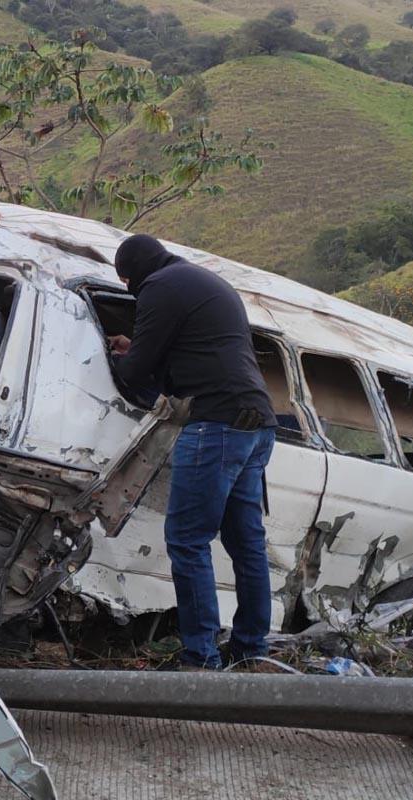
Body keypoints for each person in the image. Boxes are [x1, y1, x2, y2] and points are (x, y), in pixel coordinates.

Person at [109, 234, 276, 670]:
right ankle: (252, 648)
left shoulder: (158, 288)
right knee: (246, 544)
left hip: (215, 424)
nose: (130, 291)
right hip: (257, 422)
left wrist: (123, 356)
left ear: (134, 274)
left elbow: (134, 373)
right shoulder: (202, 280)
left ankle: (200, 656)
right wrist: (139, 347)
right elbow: (195, 349)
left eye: (127, 282)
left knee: (187, 540)